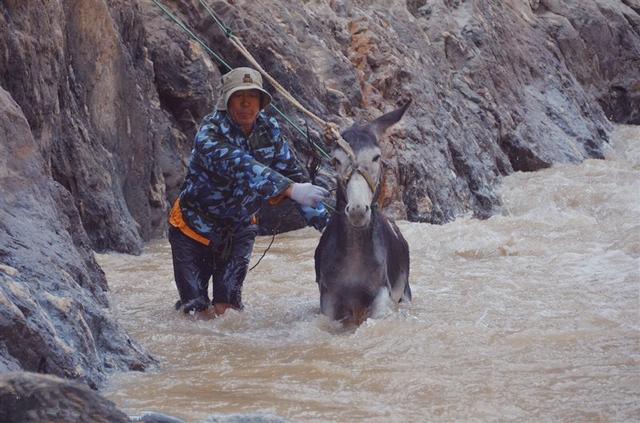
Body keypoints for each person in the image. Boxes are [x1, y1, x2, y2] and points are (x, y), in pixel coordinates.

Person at [168, 67, 329, 316]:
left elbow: (294, 174)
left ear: (261, 102)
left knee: (228, 312)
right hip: (192, 230)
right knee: (194, 312)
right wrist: (290, 189)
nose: (246, 104)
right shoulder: (209, 133)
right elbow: (241, 165)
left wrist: (326, 224)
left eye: (252, 97)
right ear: (227, 101)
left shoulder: (269, 130)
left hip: (238, 230)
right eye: (239, 97)